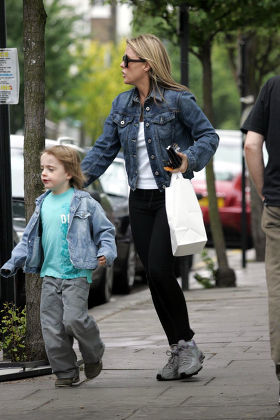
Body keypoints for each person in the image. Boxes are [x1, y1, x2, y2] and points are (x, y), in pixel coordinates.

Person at [81, 34, 219, 381]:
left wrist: (189, 160)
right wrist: (74, 179)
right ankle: (177, 349)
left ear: (147, 64)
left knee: (158, 270)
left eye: (128, 60)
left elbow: (209, 136)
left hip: (167, 197)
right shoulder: (121, 105)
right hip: (138, 201)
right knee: (156, 282)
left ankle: (187, 343)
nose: (122, 66)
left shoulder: (177, 100)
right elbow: (103, 149)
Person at [1, 145, 117, 388]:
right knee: (51, 328)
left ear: (69, 173)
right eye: (43, 168)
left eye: (51, 169)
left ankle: (94, 352)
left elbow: (105, 231)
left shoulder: (85, 202)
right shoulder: (42, 204)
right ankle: (66, 372)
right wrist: (13, 262)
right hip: (50, 275)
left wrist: (106, 251)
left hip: (76, 273)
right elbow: (29, 239)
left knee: (73, 320)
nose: (44, 173)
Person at [242, 75, 280, 397]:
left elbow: (252, 144)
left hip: (279, 204)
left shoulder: (273, 86)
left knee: (279, 288)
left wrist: (263, 190)